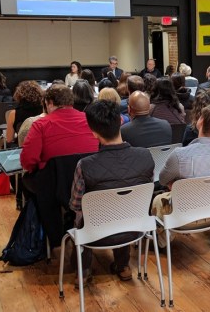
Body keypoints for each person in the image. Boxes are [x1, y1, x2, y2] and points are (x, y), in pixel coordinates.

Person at [69, 100, 155, 285]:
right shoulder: (146, 156)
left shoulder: (84, 165)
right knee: (124, 207)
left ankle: (83, 272)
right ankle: (123, 266)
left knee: (82, 217)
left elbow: (76, 204)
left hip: (94, 235)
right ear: (121, 121)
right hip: (135, 230)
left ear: (93, 132)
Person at [152, 103, 210, 248]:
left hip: (182, 216)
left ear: (201, 121)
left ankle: (160, 241)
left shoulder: (181, 154)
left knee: (158, 198)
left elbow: (163, 179)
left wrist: (178, 185)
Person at [20, 84, 99, 173]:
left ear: (50, 103)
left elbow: (27, 161)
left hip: (55, 182)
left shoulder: (40, 125)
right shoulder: (91, 120)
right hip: (90, 177)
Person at [6, 81, 43, 146]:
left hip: (22, 148)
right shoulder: (44, 110)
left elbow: (9, 139)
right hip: (42, 146)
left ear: (19, 95)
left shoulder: (13, 114)